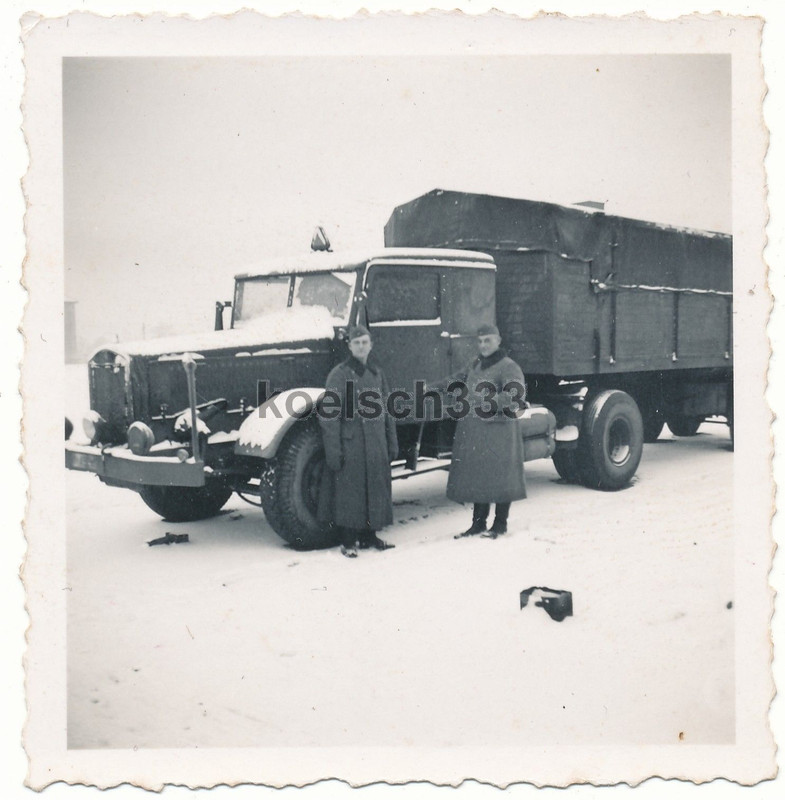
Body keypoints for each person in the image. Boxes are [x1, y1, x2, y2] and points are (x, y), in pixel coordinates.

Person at [432, 323, 527, 539]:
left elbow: (515, 397)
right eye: (480, 341)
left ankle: (500, 524)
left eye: (488, 340)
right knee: (480, 476)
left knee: (502, 478)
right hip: (477, 431)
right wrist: (432, 388)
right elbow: (456, 379)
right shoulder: (476, 364)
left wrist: (483, 400)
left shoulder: (508, 366)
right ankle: (478, 523)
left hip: (499, 431)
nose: (483, 345)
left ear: (498, 341)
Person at [317, 325, 399, 558]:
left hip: (375, 443)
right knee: (351, 492)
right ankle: (348, 541)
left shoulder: (377, 373)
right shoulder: (339, 374)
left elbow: (387, 410)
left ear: (371, 345)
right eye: (357, 343)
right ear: (349, 346)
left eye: (365, 342)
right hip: (351, 443)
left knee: (374, 487)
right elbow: (329, 415)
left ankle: (370, 535)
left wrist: (391, 442)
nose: (361, 347)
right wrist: (334, 450)